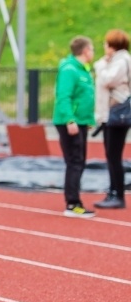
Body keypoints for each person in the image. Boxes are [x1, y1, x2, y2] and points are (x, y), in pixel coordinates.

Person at [53, 36, 96, 218]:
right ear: (85, 51)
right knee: (75, 161)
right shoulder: (70, 70)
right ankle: (72, 203)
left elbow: (85, 98)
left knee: (78, 161)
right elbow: (64, 96)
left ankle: (74, 201)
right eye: (92, 49)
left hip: (81, 122)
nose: (93, 53)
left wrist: (88, 121)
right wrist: (70, 120)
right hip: (71, 123)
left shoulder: (82, 70)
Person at [93, 29, 131, 209]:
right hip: (111, 114)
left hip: (116, 114)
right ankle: (113, 191)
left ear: (112, 45)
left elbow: (107, 80)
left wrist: (101, 65)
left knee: (114, 156)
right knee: (111, 155)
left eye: (106, 44)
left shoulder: (121, 61)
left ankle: (118, 195)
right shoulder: (117, 61)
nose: (104, 47)